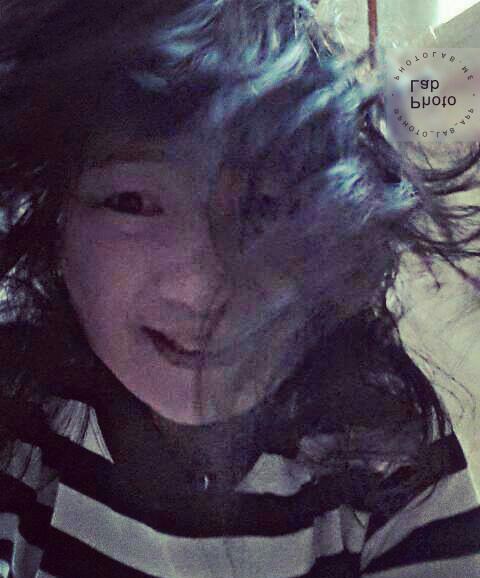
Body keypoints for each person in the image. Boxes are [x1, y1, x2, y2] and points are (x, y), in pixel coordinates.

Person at [0, 1, 479, 577]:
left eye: (264, 209)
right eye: (132, 202)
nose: (201, 288)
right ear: (56, 228)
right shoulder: (24, 406)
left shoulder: (389, 447)